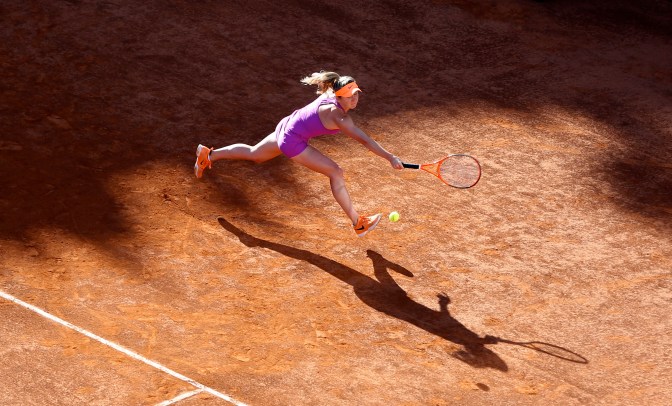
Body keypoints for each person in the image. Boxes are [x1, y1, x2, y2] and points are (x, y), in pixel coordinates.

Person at [194, 71, 403, 237]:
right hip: (293, 140)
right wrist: (390, 157)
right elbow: (365, 141)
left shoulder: (330, 93)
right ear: (340, 95)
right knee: (336, 172)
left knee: (255, 153)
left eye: (356, 93)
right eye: (350, 96)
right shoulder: (340, 118)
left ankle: (209, 155)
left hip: (287, 126)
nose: (355, 98)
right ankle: (358, 223)